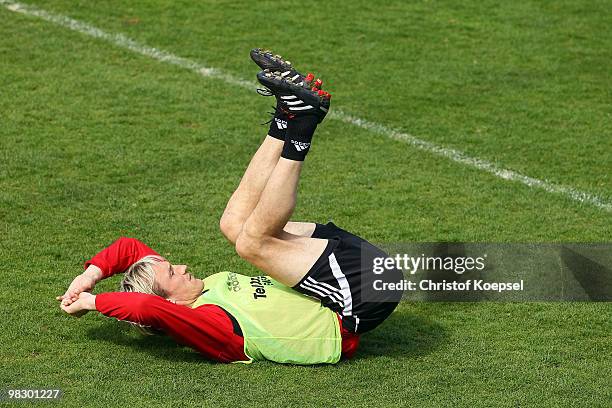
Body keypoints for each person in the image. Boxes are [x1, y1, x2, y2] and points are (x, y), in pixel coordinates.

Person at [57, 49, 402, 365]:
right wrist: (90, 303)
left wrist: (89, 277)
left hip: (352, 272)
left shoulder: (209, 287)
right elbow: (147, 306)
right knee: (251, 242)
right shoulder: (209, 326)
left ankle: (284, 120)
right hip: (360, 299)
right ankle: (303, 129)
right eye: (173, 273)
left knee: (234, 225)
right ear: (171, 304)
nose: (181, 265)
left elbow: (129, 248)